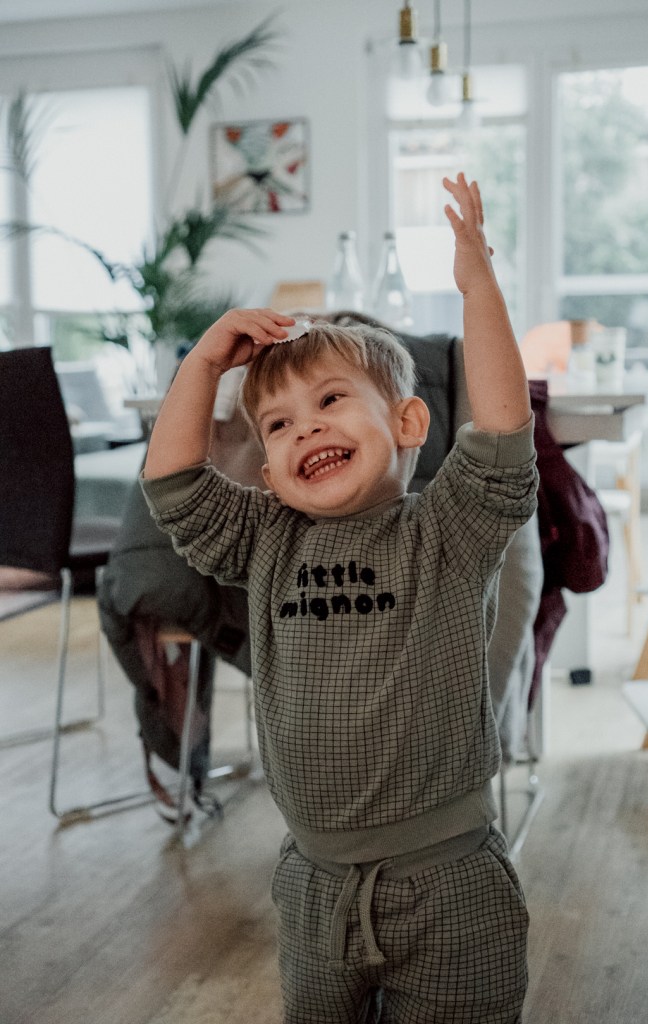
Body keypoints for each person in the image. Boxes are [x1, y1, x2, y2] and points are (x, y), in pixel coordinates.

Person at [141, 172, 539, 1024]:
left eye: (328, 402)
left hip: (451, 884)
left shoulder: (447, 529)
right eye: (277, 425)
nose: (305, 427)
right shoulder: (264, 537)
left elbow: (504, 433)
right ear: (267, 463)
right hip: (313, 885)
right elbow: (172, 484)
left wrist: (478, 286)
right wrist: (205, 358)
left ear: (406, 426)